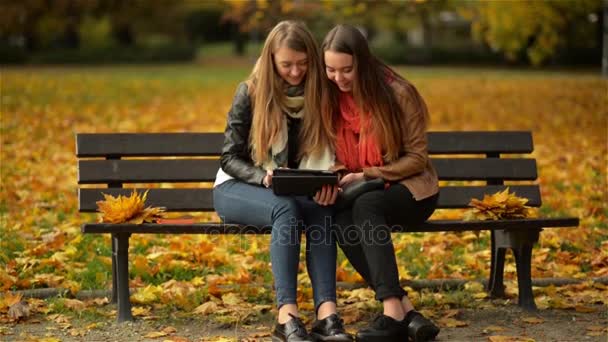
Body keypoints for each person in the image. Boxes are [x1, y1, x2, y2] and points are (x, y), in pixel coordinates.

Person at [213, 21, 350, 342]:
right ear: (271, 59)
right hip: (237, 187)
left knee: (321, 209)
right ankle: (286, 315)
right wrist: (263, 177)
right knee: (285, 210)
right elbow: (229, 158)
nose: (295, 72)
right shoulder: (250, 92)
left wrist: (328, 182)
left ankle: (327, 315)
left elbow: (326, 153)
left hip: (291, 189)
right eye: (286, 64)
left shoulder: (320, 95)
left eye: (303, 64)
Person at [320, 24, 441, 342]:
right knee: (339, 216)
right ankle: (404, 311)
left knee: (366, 204)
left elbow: (417, 158)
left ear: (364, 62)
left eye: (347, 70)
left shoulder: (399, 94)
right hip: (360, 191)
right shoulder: (329, 96)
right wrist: (338, 173)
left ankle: (390, 313)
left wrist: (370, 174)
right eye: (331, 70)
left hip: (411, 190)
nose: (339, 78)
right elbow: (326, 152)